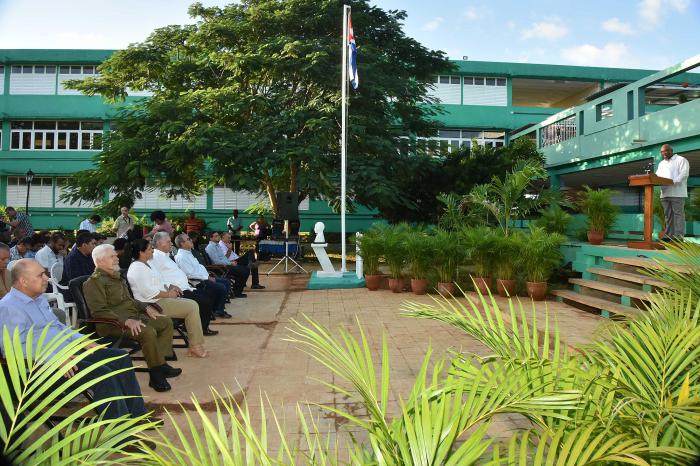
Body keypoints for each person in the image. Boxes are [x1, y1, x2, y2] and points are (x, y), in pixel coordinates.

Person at [0, 258, 153, 422]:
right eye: (40, 275)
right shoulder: (9, 308)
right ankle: (120, 434)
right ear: (23, 281)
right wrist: (53, 357)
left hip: (69, 353)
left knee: (120, 357)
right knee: (104, 375)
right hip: (43, 366)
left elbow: (59, 327)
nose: (46, 278)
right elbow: (13, 349)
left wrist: (83, 340)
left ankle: (138, 414)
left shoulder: (38, 300)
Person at [83, 244, 179, 392]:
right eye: (112, 256)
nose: (116, 258)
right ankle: (156, 375)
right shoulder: (93, 282)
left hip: (133, 316)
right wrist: (126, 321)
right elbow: (99, 311)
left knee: (165, 322)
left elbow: (130, 300)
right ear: (100, 261)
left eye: (115, 255)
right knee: (147, 332)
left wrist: (146, 307)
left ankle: (161, 363)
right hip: (113, 324)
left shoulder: (117, 277)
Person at [127, 239, 209, 358]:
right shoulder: (137, 267)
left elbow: (160, 280)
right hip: (152, 304)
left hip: (160, 300)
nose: (152, 251)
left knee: (192, 303)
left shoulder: (148, 263)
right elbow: (148, 292)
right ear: (141, 252)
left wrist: (171, 286)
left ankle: (195, 345)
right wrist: (169, 294)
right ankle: (195, 346)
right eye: (150, 249)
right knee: (191, 307)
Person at [150, 232, 218, 336]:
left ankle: (190, 325)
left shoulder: (166, 256)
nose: (171, 244)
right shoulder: (155, 257)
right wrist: (169, 286)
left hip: (185, 287)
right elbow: (155, 277)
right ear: (159, 243)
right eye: (168, 242)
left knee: (209, 294)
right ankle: (201, 328)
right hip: (176, 291)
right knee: (205, 301)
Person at [174, 233, 232, 319]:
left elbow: (199, 268)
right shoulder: (182, 256)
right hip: (197, 282)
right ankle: (218, 309)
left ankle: (216, 308)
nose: (191, 240)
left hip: (204, 277)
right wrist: (207, 278)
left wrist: (208, 275)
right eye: (188, 239)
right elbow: (189, 274)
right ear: (182, 244)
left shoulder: (188, 253)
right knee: (222, 287)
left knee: (226, 283)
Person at [656, 144, 690, 240]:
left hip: (677, 192)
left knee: (678, 215)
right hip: (665, 193)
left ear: (671, 150)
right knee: (668, 216)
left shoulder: (681, 160)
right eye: (662, 152)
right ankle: (668, 235)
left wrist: (673, 181)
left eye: (666, 151)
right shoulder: (661, 163)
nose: (664, 153)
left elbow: (684, 174)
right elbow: (657, 176)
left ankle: (679, 237)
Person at [205, 232, 250, 298]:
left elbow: (223, 258)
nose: (218, 237)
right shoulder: (210, 247)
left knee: (246, 269)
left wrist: (230, 262)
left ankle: (237, 291)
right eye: (216, 236)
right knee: (243, 271)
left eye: (218, 235)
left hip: (225, 265)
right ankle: (237, 292)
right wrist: (230, 263)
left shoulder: (217, 246)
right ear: (211, 238)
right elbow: (216, 261)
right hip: (220, 268)